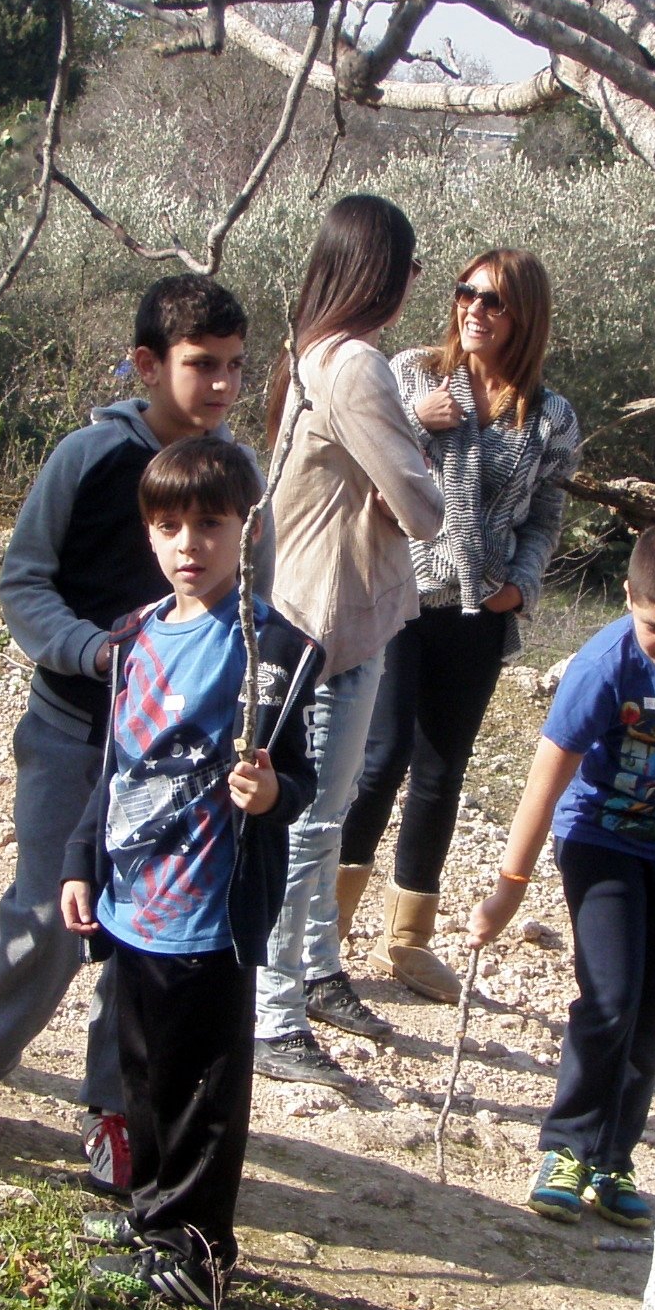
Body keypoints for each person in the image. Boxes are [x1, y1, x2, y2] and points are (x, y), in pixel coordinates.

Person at [0, 276, 252, 1196]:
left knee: (143, 939)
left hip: (178, 761)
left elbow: (248, 608)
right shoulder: (91, 457)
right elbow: (24, 583)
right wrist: (97, 654)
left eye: (233, 368)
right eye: (199, 365)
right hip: (71, 729)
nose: (219, 385)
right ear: (148, 365)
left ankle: (115, 1113)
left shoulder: (232, 476)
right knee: (48, 909)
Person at [61, 436, 321, 1304]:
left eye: (210, 525)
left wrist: (268, 791)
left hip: (211, 917)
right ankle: (149, 1215)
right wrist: (80, 863)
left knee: (206, 1093)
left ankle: (196, 1252)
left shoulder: (271, 645)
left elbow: (302, 779)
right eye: (169, 525)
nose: (188, 545)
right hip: (134, 906)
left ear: (247, 531)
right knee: (143, 1074)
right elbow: (117, 764)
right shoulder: (135, 635)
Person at [468, 527, 655, 1230]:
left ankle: (614, 1156)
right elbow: (546, 775)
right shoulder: (604, 665)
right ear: (629, 599)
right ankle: (566, 1147)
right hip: (599, 836)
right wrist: (509, 887)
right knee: (609, 996)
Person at [338, 249, 580, 1002]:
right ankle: (324, 925)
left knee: (442, 773)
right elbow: (353, 445)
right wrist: (417, 420)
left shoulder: (550, 414)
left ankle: (408, 940)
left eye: (494, 301)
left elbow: (548, 514)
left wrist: (524, 586)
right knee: (379, 760)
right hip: (401, 597)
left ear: (524, 317)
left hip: (478, 613)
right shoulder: (412, 373)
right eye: (465, 292)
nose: (473, 308)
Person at [254, 195, 446, 1090]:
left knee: (318, 812)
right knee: (313, 818)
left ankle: (319, 973)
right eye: (412, 267)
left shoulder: (305, 353)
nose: (417, 284)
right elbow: (424, 507)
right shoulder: (360, 364)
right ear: (384, 273)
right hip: (335, 619)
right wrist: (403, 479)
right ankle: (276, 1011)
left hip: (303, 606)